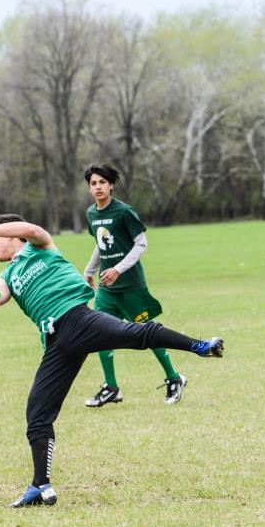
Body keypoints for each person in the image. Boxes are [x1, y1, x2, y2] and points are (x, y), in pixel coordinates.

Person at [0, 215, 224, 507]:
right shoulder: (8, 276)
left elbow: (30, 229)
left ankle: (200, 346)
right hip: (57, 343)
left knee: (139, 334)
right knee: (37, 415)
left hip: (79, 320)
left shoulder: (39, 246)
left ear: (11, 234)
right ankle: (41, 486)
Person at [81, 164, 185, 407]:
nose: (98, 187)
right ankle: (111, 388)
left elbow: (141, 244)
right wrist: (89, 270)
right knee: (99, 334)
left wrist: (118, 269)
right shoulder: (91, 214)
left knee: (149, 334)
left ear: (111, 185)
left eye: (102, 182)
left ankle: (174, 378)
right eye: (93, 183)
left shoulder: (124, 212)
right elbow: (101, 242)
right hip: (107, 290)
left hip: (131, 287)